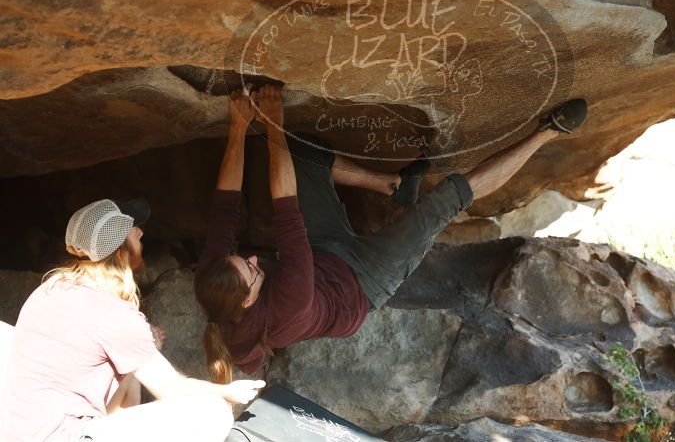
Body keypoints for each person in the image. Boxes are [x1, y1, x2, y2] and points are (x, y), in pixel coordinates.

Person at [194, 86, 587, 383]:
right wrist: (273, 121)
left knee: (299, 153)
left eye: (242, 259)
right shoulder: (288, 301)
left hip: (320, 254)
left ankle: (392, 185)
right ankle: (548, 133)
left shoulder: (213, 279)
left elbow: (225, 206)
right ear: (247, 301)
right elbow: (286, 209)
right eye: (250, 269)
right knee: (445, 201)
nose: (252, 258)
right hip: (363, 283)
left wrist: (239, 126)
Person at [1, 198, 265, 442]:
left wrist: (142, 352)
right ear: (121, 252)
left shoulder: (51, 288)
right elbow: (172, 388)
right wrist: (227, 392)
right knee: (212, 411)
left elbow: (116, 409)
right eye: (130, 229)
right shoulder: (114, 314)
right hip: (65, 436)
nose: (140, 232)